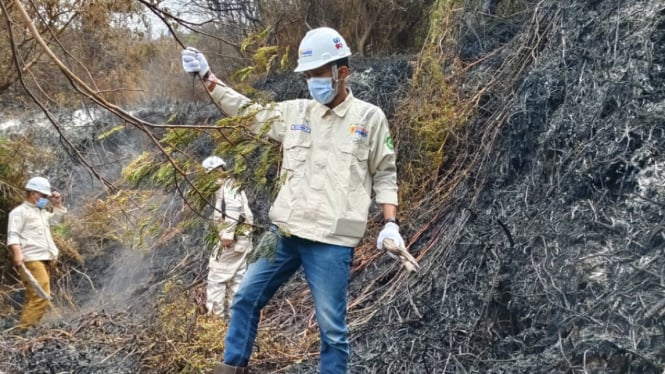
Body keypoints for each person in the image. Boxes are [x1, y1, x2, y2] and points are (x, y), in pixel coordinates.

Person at [182, 27, 405, 374]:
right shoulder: (296, 113)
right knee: (244, 298)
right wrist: (208, 78)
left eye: (318, 74)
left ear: (341, 72)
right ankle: (230, 369)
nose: (312, 82)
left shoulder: (369, 119)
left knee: (332, 331)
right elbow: (248, 113)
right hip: (283, 232)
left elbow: (386, 173)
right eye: (308, 76)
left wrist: (390, 224)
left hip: (332, 242)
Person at [6, 176, 66, 328]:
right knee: (41, 296)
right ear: (34, 194)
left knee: (33, 295)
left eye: (46, 196)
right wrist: (18, 254)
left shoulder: (41, 212)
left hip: (45, 258)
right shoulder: (19, 212)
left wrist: (57, 204)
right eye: (44, 196)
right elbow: (13, 235)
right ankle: (25, 331)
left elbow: (57, 222)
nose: (45, 199)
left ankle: (19, 332)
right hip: (31, 259)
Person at [201, 155, 254, 318]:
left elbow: (233, 208)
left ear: (217, 170)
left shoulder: (228, 186)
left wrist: (228, 234)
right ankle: (236, 318)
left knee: (217, 276)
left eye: (209, 174)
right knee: (237, 279)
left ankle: (214, 319)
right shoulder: (230, 185)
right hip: (242, 241)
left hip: (232, 241)